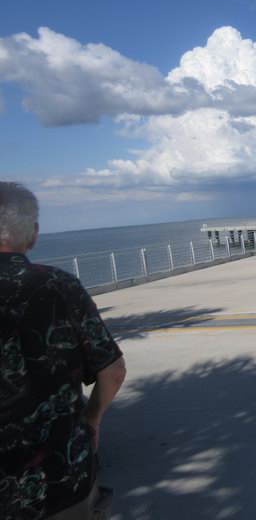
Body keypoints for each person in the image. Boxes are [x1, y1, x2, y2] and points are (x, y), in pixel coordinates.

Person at [0, 182, 126, 519]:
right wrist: (93, 417)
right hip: (62, 480)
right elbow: (113, 371)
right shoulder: (60, 286)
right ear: (33, 234)